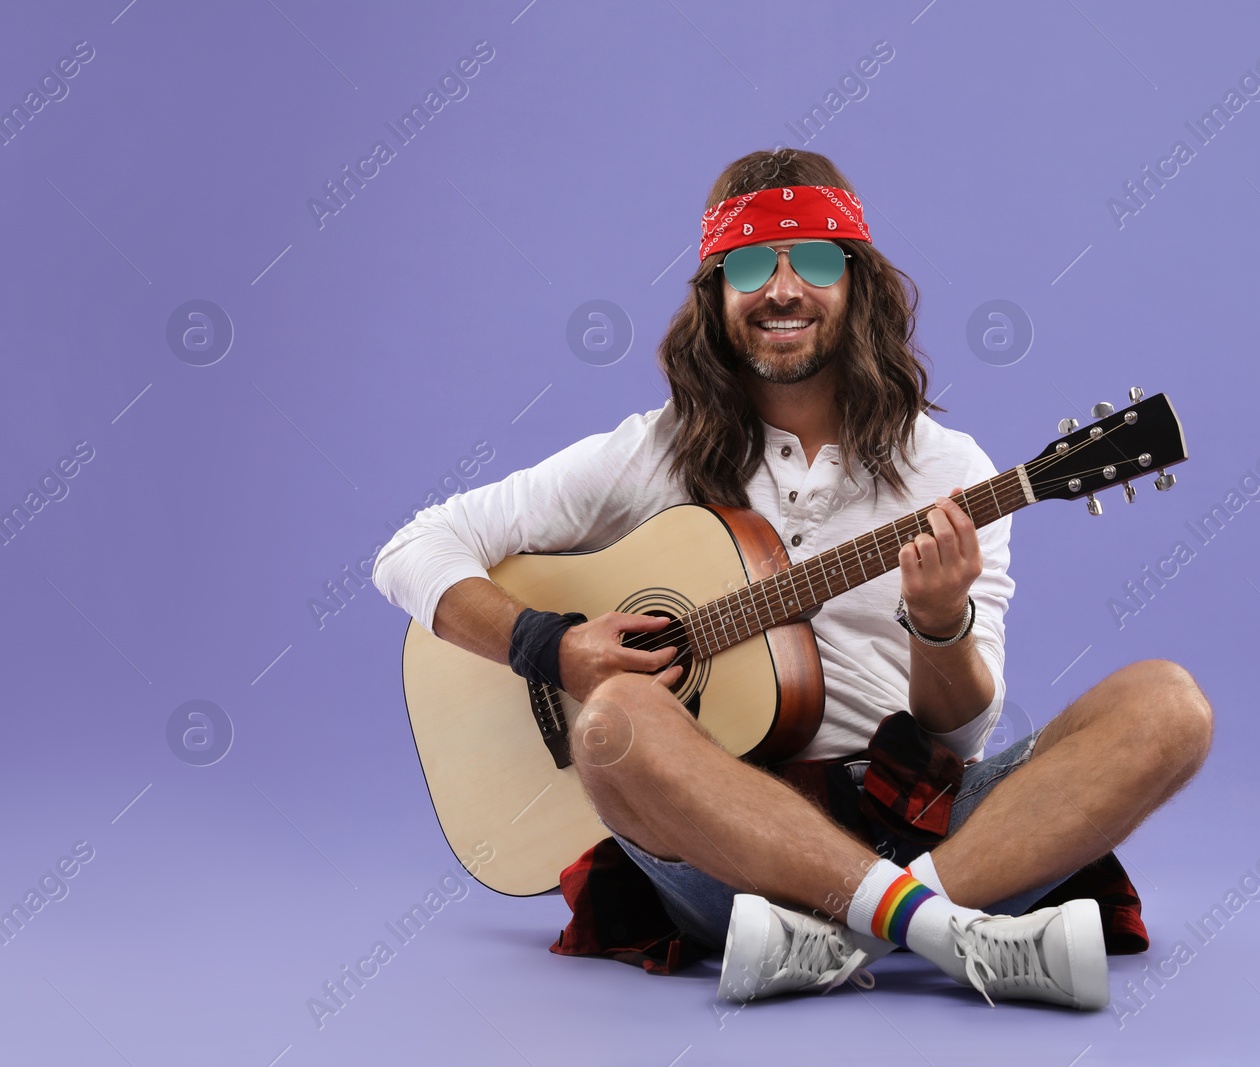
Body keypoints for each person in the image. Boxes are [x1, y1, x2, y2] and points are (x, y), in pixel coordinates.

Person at [371, 148, 1213, 1011]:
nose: (782, 289)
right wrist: (550, 647)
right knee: (615, 718)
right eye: (748, 264)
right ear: (715, 293)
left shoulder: (950, 471)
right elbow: (412, 549)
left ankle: (849, 934)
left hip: (921, 821)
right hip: (729, 845)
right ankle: (953, 933)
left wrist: (939, 623)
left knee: (1169, 703)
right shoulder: (653, 453)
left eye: (812, 259)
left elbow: (955, 746)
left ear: (857, 284)